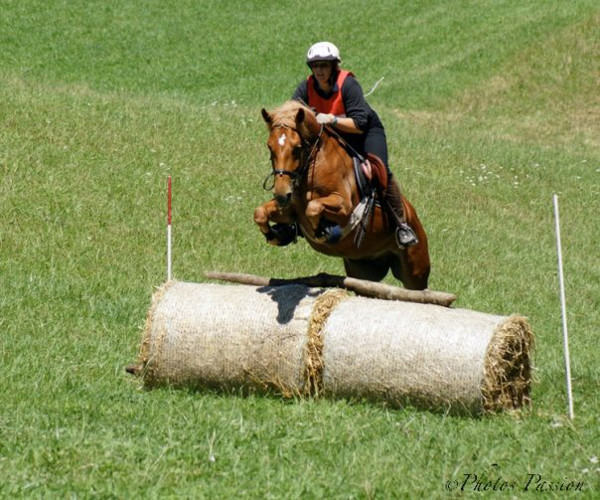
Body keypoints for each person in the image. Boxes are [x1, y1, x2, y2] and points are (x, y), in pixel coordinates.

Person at [292, 41, 418, 248]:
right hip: (332, 136)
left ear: (334, 66)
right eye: (315, 66)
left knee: (378, 170)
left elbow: (360, 124)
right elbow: (293, 111)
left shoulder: (348, 85)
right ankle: (296, 222)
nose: (320, 71)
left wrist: (331, 119)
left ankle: (401, 225)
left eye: (324, 65)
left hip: (364, 133)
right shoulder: (306, 86)